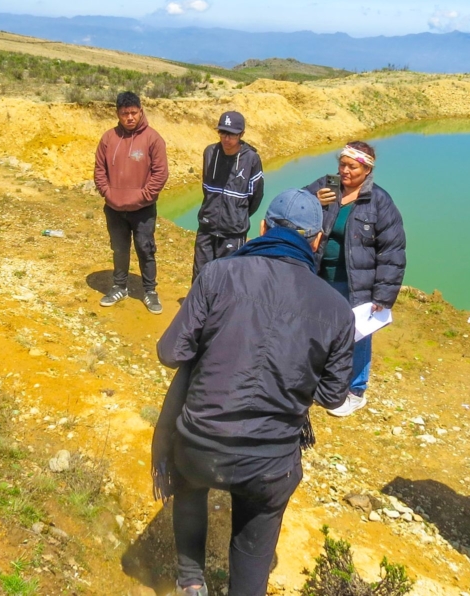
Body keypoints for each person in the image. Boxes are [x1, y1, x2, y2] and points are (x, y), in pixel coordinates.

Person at [152, 189, 355, 596]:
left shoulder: (218, 274)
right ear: (316, 242)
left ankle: (190, 580)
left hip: (199, 444)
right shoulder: (336, 309)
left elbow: (170, 352)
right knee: (255, 534)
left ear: (262, 228)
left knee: (190, 484)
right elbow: (333, 396)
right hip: (270, 460)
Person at [304, 141, 405, 416]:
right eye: (342, 164)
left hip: (356, 283)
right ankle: (322, 380)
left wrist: (383, 295)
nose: (345, 171)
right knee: (321, 329)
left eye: (352, 167)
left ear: (367, 169)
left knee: (357, 335)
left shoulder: (379, 201)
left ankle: (355, 391)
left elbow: (392, 250)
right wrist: (313, 200)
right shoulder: (326, 186)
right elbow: (293, 205)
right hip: (319, 275)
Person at [93, 91, 168, 314]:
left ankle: (149, 290)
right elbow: (99, 170)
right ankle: (119, 286)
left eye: (134, 112)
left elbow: (160, 174)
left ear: (141, 111)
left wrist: (143, 197)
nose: (130, 117)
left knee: (145, 249)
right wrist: (108, 193)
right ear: (118, 114)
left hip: (143, 210)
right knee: (119, 248)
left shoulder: (153, 138)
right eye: (125, 113)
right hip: (114, 208)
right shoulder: (108, 138)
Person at [192, 110, 264, 282]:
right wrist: (212, 211)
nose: (226, 139)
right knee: (201, 275)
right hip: (207, 227)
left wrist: (237, 215)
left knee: (227, 277)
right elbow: (207, 189)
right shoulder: (210, 153)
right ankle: (198, 308)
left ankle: (223, 309)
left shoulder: (252, 159)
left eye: (231, 135)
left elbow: (256, 197)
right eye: (222, 133)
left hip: (233, 231)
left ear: (241, 134)